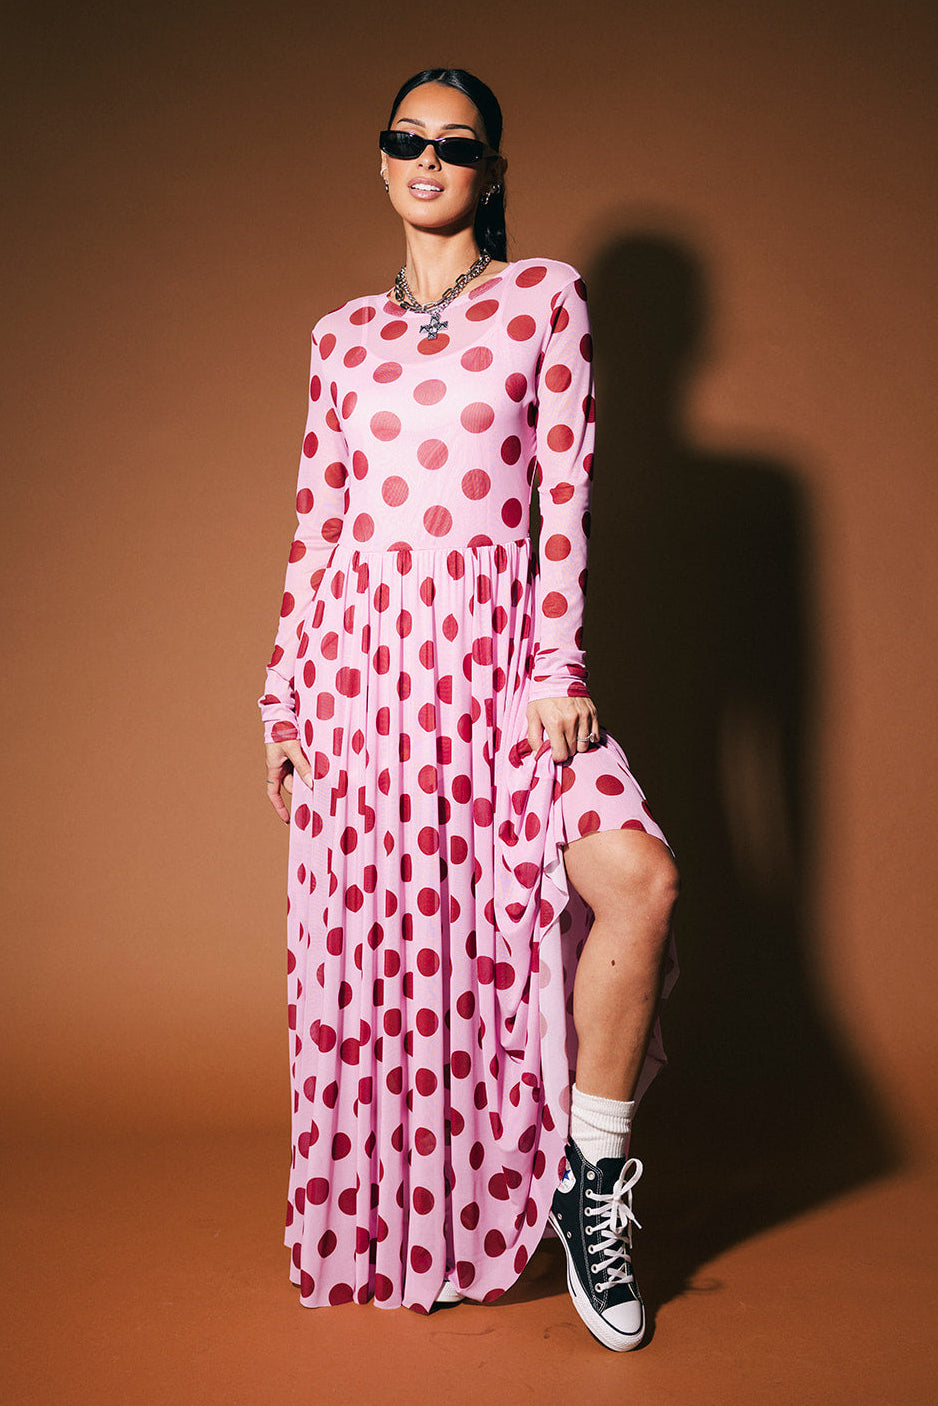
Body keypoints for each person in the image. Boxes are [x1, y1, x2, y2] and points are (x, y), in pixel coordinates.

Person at [258, 67, 679, 1352]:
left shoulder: (543, 298)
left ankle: (588, 1173)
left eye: (454, 144)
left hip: (502, 663)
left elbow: (567, 494)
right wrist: (283, 698)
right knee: (403, 946)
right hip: (365, 678)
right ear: (381, 162)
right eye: (405, 140)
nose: (426, 159)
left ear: (490, 171)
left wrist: (552, 667)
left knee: (637, 881)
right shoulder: (338, 336)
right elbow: (317, 526)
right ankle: (415, 1215)